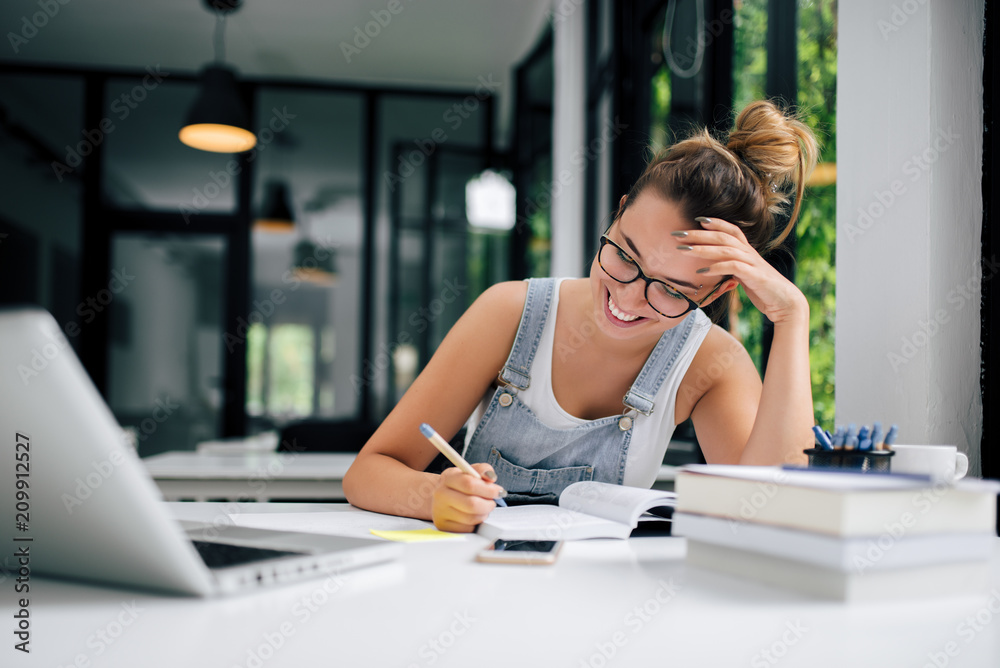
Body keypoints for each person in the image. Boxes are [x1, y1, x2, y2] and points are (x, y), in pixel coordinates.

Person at [344, 99, 819, 533]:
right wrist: (435, 496)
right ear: (619, 213)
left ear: (720, 289)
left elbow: (769, 515)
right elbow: (369, 471)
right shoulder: (510, 314)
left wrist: (793, 318)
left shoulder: (712, 363)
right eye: (626, 257)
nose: (629, 301)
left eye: (673, 291)